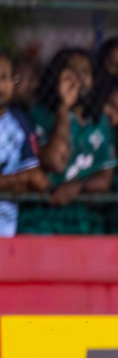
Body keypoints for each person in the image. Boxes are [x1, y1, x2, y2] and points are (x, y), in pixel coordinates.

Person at [21, 49, 117, 236]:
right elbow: (55, 163)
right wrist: (64, 109)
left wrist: (78, 188)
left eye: (85, 72)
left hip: (82, 215)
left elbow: (105, 178)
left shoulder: (100, 121)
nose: (79, 78)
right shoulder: (38, 115)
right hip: (41, 214)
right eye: (71, 72)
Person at [0, 53, 46, 237]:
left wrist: (5, 182)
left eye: (4, 77)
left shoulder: (20, 121)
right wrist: (15, 181)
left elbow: (36, 179)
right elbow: (25, 179)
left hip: (8, 225)